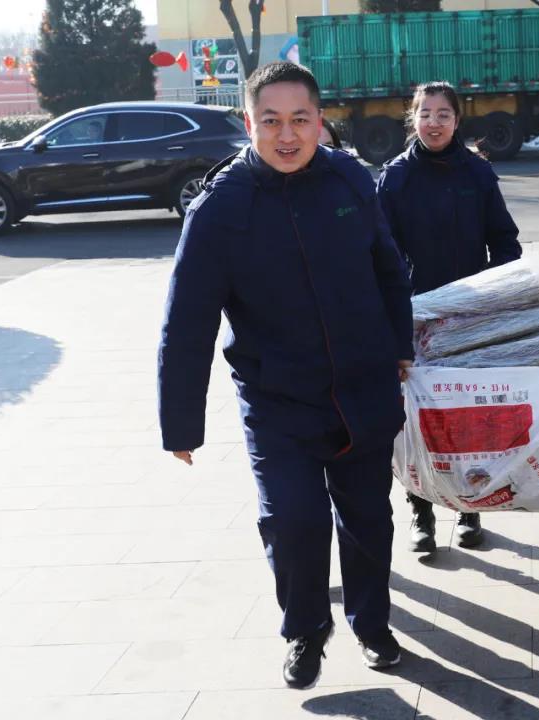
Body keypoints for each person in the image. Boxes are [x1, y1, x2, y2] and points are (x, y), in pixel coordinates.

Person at [157, 62, 412, 689]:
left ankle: (371, 623)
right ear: (249, 124)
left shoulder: (350, 180)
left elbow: (388, 269)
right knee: (294, 521)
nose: (287, 134)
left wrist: (400, 346)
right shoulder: (219, 210)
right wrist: (180, 422)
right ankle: (305, 629)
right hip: (278, 401)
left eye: (300, 119)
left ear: (320, 121)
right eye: (271, 121)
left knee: (368, 519)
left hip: (361, 388)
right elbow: (186, 322)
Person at [377, 81, 521, 554]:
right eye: (425, 113)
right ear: (412, 119)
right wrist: (402, 307)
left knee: (468, 420)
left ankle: (469, 509)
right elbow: (380, 254)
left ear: (458, 120)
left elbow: (505, 242)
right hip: (413, 320)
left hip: (469, 320)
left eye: (443, 114)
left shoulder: (477, 174)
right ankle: (421, 514)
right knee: (417, 422)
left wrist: (492, 297)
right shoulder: (395, 178)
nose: (433, 123)